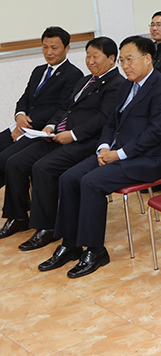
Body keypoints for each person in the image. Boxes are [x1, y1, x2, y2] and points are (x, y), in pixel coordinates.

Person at [36, 36, 161, 278]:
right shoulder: (125, 85)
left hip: (146, 159)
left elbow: (156, 133)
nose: (125, 66)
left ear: (147, 59)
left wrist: (119, 154)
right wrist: (103, 147)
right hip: (114, 152)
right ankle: (70, 244)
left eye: (130, 60)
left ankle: (95, 250)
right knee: (69, 177)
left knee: (91, 183)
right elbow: (111, 122)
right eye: (122, 61)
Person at [2, 37, 123, 250]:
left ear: (111, 58)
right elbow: (65, 108)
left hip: (84, 141)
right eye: (88, 55)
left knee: (43, 168)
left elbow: (103, 119)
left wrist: (72, 135)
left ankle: (47, 227)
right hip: (58, 135)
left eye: (96, 56)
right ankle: (18, 216)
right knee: (15, 162)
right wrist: (50, 126)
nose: (90, 61)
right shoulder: (85, 80)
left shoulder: (116, 84)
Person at [0, 26, 84, 227]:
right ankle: (19, 204)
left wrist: (30, 126)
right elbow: (25, 99)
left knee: (7, 159)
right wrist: (20, 116)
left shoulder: (73, 74)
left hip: (40, 131)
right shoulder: (38, 71)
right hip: (23, 124)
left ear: (67, 48)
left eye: (54, 47)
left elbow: (63, 108)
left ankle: (17, 215)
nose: (49, 52)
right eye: (45, 47)